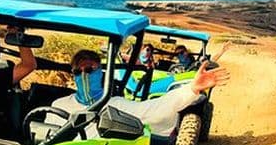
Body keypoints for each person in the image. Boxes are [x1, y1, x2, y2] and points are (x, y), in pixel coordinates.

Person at [48, 48, 230, 138]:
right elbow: (48, 138)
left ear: (100, 73)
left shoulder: (115, 106)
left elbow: (156, 108)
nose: (84, 75)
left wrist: (192, 88)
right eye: (78, 72)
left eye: (89, 70)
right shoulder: (59, 106)